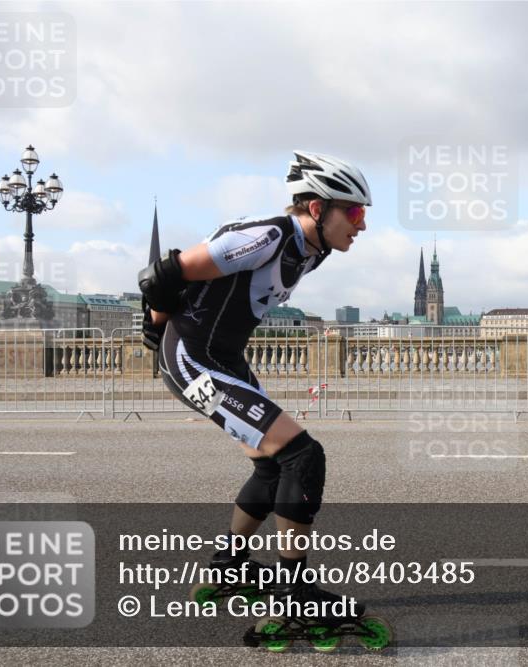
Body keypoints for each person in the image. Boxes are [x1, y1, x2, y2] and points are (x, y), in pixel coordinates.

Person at [137, 151, 370, 615]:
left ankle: (229, 565)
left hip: (223, 358)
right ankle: (293, 593)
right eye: (356, 212)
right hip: (195, 360)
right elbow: (163, 274)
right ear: (319, 210)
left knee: (272, 465)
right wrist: (156, 326)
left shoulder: (314, 249)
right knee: (303, 456)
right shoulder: (269, 236)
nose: (362, 226)